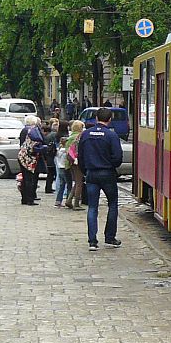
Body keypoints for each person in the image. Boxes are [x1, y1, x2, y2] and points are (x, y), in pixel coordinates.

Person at [79, 107, 123, 251]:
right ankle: (110, 237)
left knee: (92, 207)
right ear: (109, 119)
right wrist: (111, 165)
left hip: (91, 173)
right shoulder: (111, 136)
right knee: (112, 204)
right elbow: (118, 157)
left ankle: (92, 241)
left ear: (96, 118)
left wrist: (85, 170)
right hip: (107, 173)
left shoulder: (85, 134)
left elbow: (80, 157)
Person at [17, 114, 45, 205]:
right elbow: (37, 142)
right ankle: (29, 199)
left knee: (25, 178)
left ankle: (24, 198)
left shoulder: (24, 130)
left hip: (23, 156)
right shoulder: (32, 130)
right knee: (29, 179)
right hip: (29, 157)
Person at [64, 119, 86, 209]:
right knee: (79, 183)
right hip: (77, 161)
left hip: (70, 161)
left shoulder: (70, 136)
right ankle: (76, 203)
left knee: (76, 182)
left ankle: (69, 200)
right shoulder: (79, 137)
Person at [52, 120, 71, 207]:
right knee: (69, 184)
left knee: (61, 183)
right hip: (65, 167)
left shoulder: (58, 149)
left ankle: (58, 200)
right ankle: (68, 199)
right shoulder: (65, 150)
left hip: (59, 166)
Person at [40, 118, 60, 194]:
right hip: (52, 156)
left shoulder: (48, 135)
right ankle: (49, 188)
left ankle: (48, 188)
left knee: (50, 174)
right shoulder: (54, 135)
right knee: (53, 173)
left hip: (48, 156)